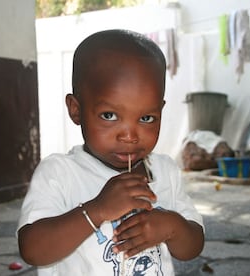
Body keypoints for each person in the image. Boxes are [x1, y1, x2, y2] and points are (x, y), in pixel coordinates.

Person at [17, 29, 204, 275]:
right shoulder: (60, 173)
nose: (129, 135)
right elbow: (32, 249)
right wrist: (97, 210)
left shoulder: (164, 171)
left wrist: (172, 227)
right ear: (76, 110)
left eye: (147, 118)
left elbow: (193, 246)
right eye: (109, 116)